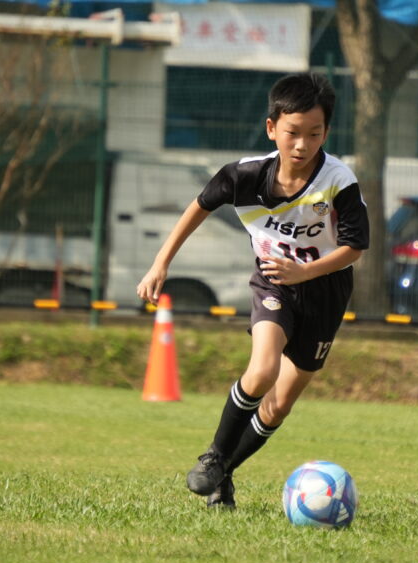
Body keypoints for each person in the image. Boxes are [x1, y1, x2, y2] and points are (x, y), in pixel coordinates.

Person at [136, 72, 369, 509]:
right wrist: (160, 262)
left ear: (326, 133)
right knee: (262, 371)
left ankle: (223, 473)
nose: (302, 145)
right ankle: (212, 457)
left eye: (314, 135)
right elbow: (198, 207)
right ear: (271, 129)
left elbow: (355, 247)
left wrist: (308, 272)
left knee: (279, 405)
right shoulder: (243, 176)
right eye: (292, 133)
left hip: (326, 292)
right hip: (273, 282)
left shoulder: (340, 181)